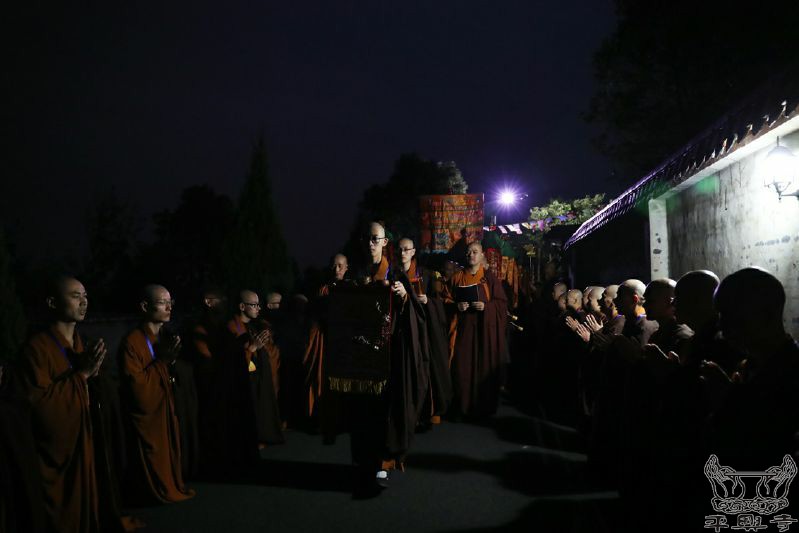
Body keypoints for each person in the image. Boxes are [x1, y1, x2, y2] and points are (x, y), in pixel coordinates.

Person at [15, 276, 105, 531]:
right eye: (75, 296)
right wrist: (82, 376)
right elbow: (40, 406)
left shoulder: (80, 344)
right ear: (52, 303)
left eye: (85, 296)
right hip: (55, 454)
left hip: (82, 441)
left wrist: (93, 379)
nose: (84, 302)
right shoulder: (37, 348)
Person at [118, 284, 194, 504]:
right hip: (149, 413)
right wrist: (162, 363)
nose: (169, 307)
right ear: (145, 306)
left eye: (171, 302)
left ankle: (172, 481)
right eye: (162, 302)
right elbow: (136, 386)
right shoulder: (132, 342)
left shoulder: (167, 336)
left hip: (166, 407)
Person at [443, 241, 508, 418]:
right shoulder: (457, 277)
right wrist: (456, 306)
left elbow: (502, 305)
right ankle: (463, 407)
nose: (471, 255)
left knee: (483, 368)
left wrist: (486, 307)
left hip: (484, 331)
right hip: (463, 330)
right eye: (469, 252)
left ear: (482, 256)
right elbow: (445, 300)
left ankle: (483, 408)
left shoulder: (489, 279)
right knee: (462, 368)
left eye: (475, 252)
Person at [398, 237, 450, 427]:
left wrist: (428, 301)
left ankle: (428, 410)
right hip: (403, 328)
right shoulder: (393, 274)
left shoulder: (426, 276)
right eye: (400, 249)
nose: (402, 253)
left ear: (413, 252)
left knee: (426, 369)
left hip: (424, 330)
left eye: (406, 249)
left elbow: (442, 303)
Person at [228, 290, 283, 448]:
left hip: (257, 376)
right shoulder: (233, 327)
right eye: (254, 305)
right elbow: (232, 358)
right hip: (243, 379)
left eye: (259, 305)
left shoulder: (254, 326)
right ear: (242, 306)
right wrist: (253, 347)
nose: (258, 308)